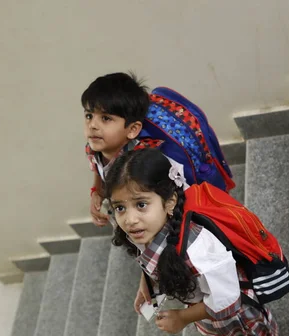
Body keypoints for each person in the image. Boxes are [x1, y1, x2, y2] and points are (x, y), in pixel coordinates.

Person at [104, 148, 278, 335]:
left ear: (169, 203)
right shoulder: (146, 229)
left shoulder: (199, 249)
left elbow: (228, 299)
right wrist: (146, 282)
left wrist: (183, 318)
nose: (130, 220)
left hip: (235, 317)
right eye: (120, 207)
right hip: (205, 310)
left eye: (141, 204)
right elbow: (152, 256)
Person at [82, 72, 157, 227]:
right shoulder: (93, 149)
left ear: (132, 129)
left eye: (106, 118)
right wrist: (97, 192)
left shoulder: (142, 162)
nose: (93, 125)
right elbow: (98, 168)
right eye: (89, 116)